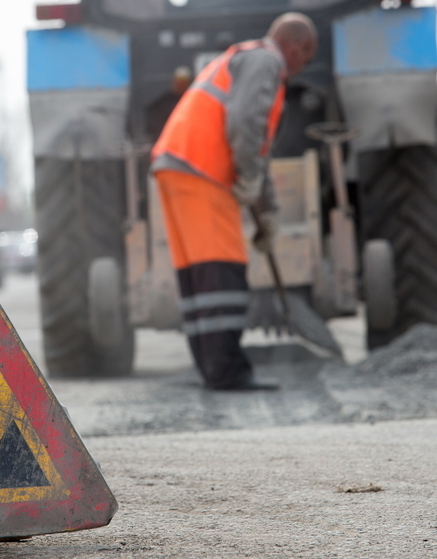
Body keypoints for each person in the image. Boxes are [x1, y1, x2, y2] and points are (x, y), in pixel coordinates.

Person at [150, 12, 318, 391]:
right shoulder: (267, 61)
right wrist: (250, 180)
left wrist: (267, 209)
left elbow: (256, 147)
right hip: (202, 169)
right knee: (223, 271)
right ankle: (228, 371)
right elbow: (245, 123)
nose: (297, 70)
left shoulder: (240, 57)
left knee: (198, 276)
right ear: (297, 47)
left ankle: (212, 369)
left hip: (175, 166)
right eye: (304, 60)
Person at [145, 66, 193, 141]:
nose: (180, 85)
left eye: (184, 82)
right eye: (179, 82)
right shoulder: (161, 104)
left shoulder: (193, 102)